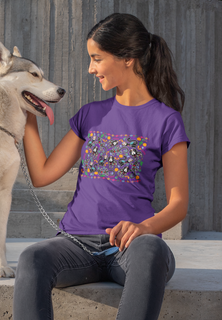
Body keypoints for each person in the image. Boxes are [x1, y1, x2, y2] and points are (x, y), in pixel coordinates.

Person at [13, 13, 190, 320]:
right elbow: (42, 174)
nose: (90, 68)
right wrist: (30, 111)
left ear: (128, 59)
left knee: (153, 252)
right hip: (74, 242)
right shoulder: (91, 114)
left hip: (131, 247)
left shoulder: (166, 121)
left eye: (97, 58)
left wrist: (144, 228)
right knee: (32, 258)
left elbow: (178, 204)